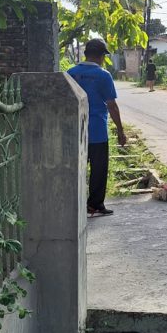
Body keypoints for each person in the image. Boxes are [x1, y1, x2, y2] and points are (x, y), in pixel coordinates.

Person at [67, 38, 127, 217]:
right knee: (98, 169)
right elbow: (111, 105)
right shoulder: (103, 75)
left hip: (75, 129)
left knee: (76, 167)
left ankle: (73, 204)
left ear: (85, 54)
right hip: (97, 130)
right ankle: (94, 205)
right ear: (101, 56)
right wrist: (120, 131)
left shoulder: (70, 73)